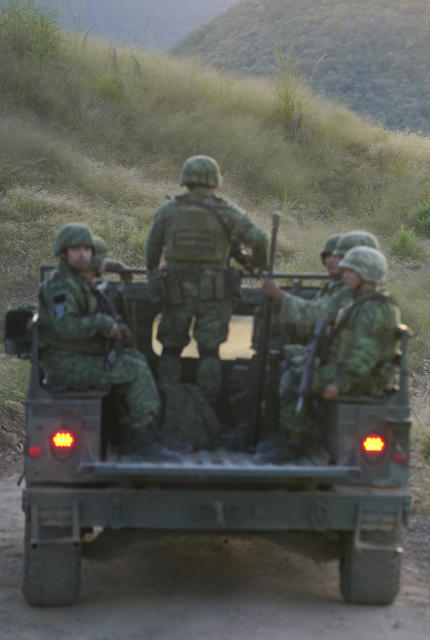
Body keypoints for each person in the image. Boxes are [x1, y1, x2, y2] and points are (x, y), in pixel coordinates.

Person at [259, 246, 402, 463]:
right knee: (289, 364)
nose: (345, 276)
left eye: (351, 272)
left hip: (364, 379)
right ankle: (284, 435)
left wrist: (339, 384)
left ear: (367, 276)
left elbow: (364, 356)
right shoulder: (360, 303)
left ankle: (294, 443)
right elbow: (343, 341)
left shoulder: (374, 309)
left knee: (294, 378)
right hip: (353, 372)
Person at [145, 155, 267, 401]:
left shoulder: (169, 211)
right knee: (210, 350)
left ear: (185, 181)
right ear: (215, 182)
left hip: (176, 289)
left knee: (170, 348)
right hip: (214, 291)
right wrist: (258, 264)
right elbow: (260, 239)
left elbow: (152, 247)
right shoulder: (226, 212)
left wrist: (153, 274)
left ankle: (168, 402)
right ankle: (208, 405)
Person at [36, 223, 164, 457]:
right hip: (67, 365)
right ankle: (143, 443)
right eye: (76, 249)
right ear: (63, 253)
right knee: (135, 369)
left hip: (78, 359)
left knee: (134, 359)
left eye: (87, 249)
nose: (83, 254)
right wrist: (104, 324)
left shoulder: (76, 281)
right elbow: (67, 328)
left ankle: (128, 435)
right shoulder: (61, 287)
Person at [263, 231, 379, 330]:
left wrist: (279, 295)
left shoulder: (353, 290)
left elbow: (318, 313)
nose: (331, 261)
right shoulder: (337, 285)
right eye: (327, 256)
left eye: (338, 257)